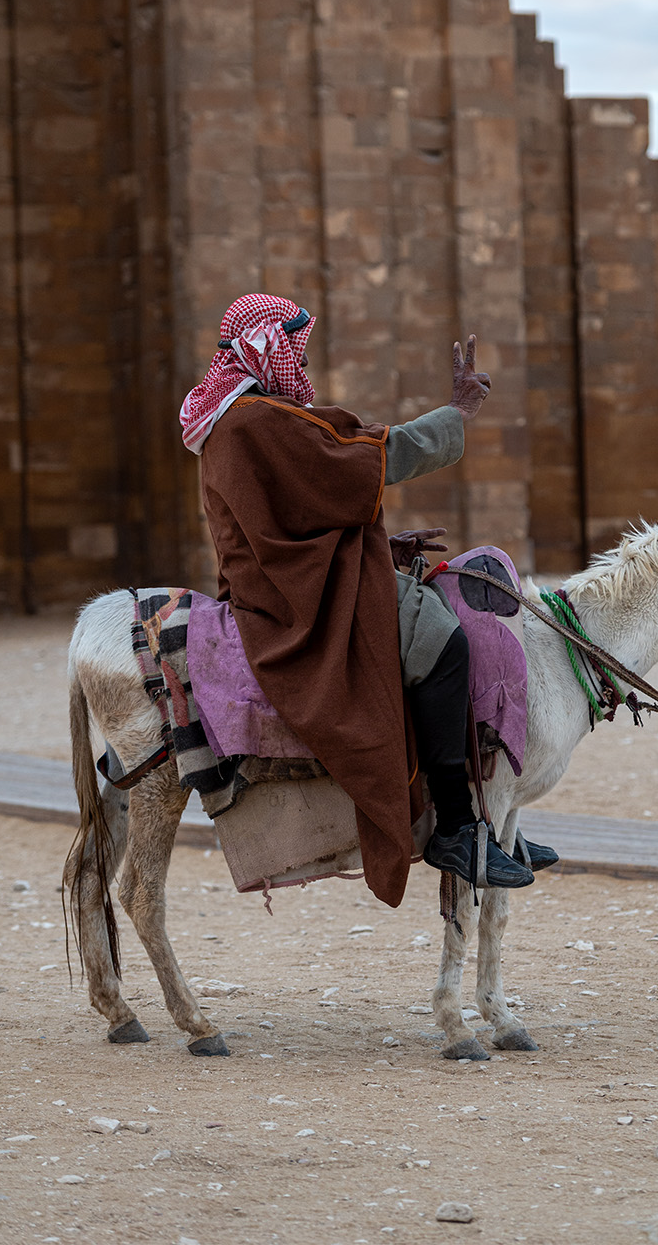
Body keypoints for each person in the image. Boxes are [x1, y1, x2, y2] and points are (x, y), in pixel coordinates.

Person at [180, 294, 535, 908]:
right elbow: (370, 459)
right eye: (296, 346)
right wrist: (457, 412)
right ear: (269, 347)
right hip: (297, 598)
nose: (303, 361)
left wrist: (381, 544)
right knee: (443, 644)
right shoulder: (255, 421)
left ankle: (491, 815)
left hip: (288, 575)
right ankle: (455, 828)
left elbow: (293, 516)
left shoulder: (230, 419)